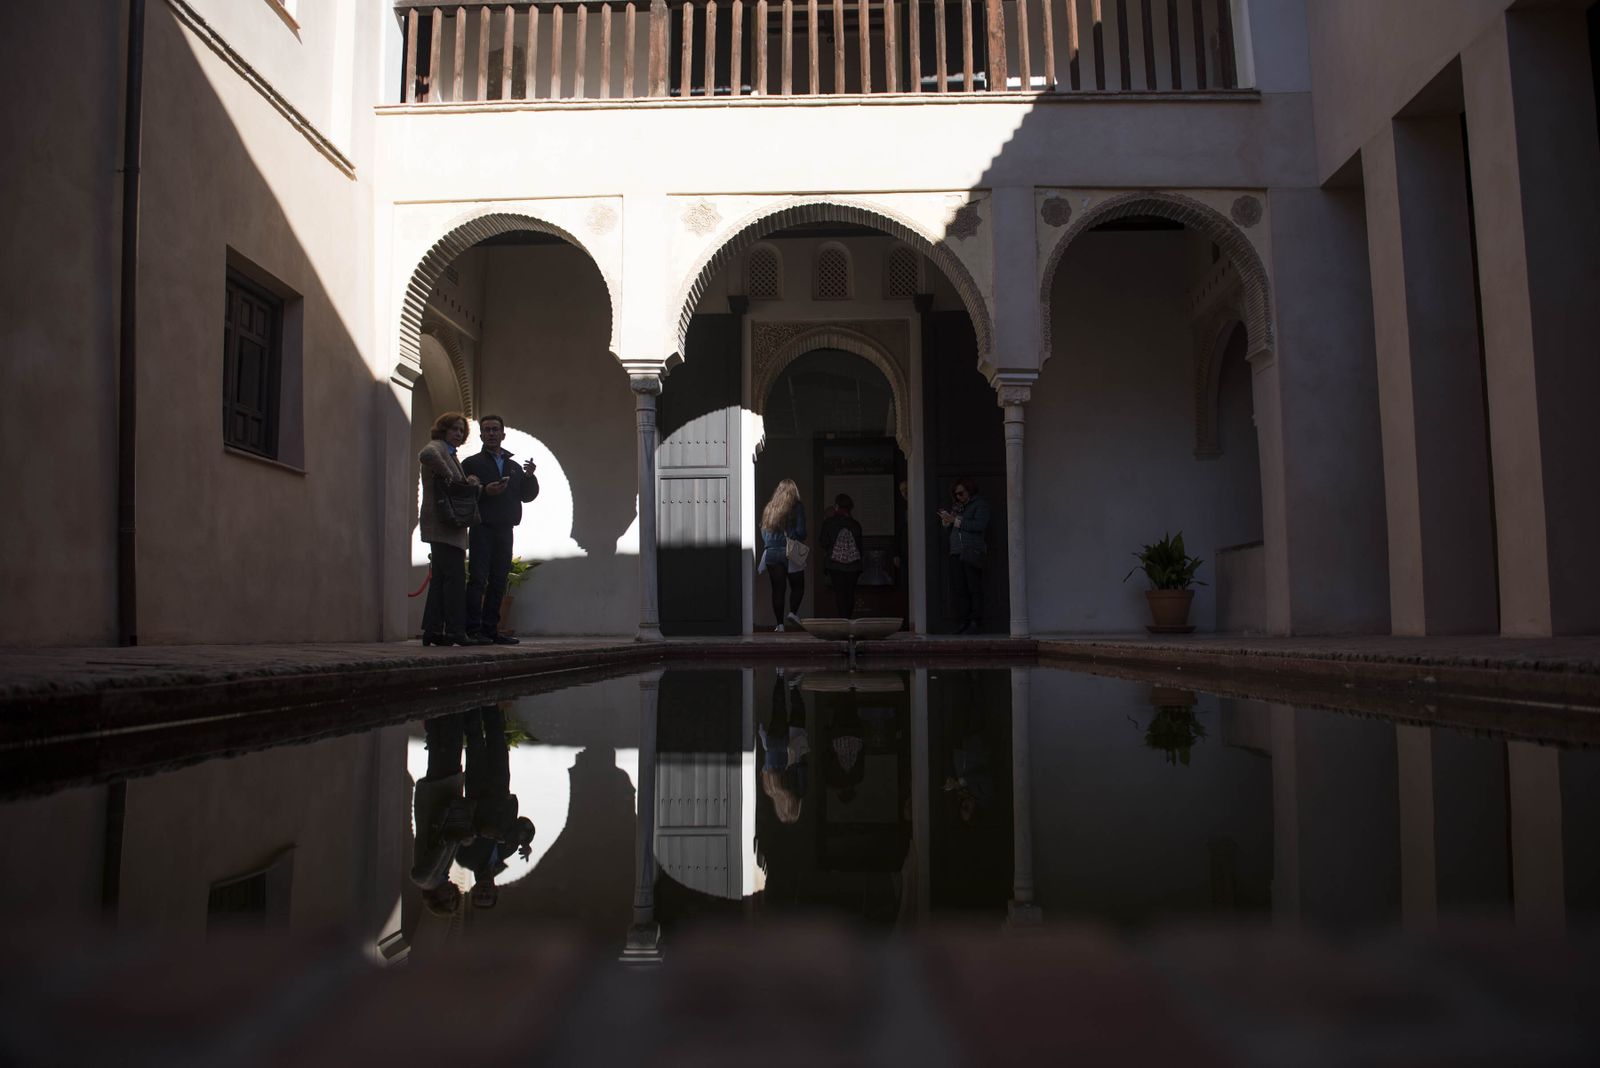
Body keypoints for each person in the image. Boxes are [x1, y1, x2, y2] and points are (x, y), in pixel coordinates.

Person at [462, 415, 540, 645]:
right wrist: (485, 490)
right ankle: (473, 630)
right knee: (478, 578)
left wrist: (529, 477)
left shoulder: (514, 467)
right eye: (487, 430)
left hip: (505, 528)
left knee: (498, 579)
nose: (491, 433)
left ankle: (491, 630)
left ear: (503, 434)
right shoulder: (472, 464)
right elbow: (464, 494)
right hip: (482, 527)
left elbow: (527, 496)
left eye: (495, 430)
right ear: (481, 435)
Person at [419, 412, 486, 646]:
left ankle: (434, 631)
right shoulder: (438, 447)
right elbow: (426, 454)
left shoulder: (450, 453)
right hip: (443, 526)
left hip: (444, 527)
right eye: (454, 429)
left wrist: (468, 484)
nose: (458, 434)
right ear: (444, 430)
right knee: (455, 581)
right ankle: (457, 632)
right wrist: (454, 479)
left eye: (461, 430)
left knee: (440, 581)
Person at [938, 477, 990, 634]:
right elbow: (954, 529)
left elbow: (979, 525)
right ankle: (963, 620)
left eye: (961, 493)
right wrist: (947, 522)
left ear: (969, 491)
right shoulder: (958, 507)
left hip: (971, 551)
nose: (958, 497)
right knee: (960, 589)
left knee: (974, 587)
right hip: (956, 552)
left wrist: (956, 521)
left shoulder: (980, 505)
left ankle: (976, 621)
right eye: (956, 494)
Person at [758, 479, 807, 632]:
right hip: (789, 550)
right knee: (798, 585)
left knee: (778, 589)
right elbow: (801, 531)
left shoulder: (769, 508)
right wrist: (794, 536)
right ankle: (793, 612)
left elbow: (763, 530)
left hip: (771, 552)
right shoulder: (796, 507)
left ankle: (779, 625)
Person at [819, 492, 865, 618]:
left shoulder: (829, 523)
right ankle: (848, 619)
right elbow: (860, 546)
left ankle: (843, 620)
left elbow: (823, 542)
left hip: (835, 565)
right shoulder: (855, 525)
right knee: (850, 593)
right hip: (853, 566)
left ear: (837, 506)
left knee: (840, 593)